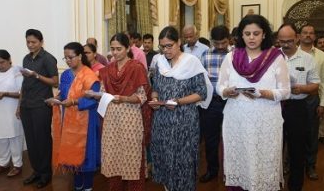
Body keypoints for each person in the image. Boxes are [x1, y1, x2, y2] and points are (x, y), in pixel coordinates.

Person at [216, 15, 291, 191]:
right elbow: (220, 86)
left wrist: (262, 93)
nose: (251, 37)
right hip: (236, 119)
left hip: (265, 121)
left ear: (264, 35)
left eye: (256, 33)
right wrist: (227, 91)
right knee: (240, 158)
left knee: (263, 159)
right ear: (241, 35)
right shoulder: (231, 57)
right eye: (247, 33)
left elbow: (286, 91)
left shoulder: (275, 57)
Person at [149, 26, 213, 191]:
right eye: (162, 46)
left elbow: (201, 93)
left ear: (179, 42)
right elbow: (155, 87)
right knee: (165, 158)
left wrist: (178, 101)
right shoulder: (159, 61)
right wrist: (155, 99)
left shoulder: (191, 62)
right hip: (162, 120)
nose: (166, 50)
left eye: (169, 45)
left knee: (182, 161)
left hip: (184, 120)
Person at [89, 33, 152, 191]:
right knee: (113, 155)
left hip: (130, 117)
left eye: (119, 49)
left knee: (132, 155)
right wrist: (95, 95)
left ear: (128, 48)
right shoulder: (107, 70)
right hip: (111, 118)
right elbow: (104, 92)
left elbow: (142, 97)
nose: (115, 52)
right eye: (112, 49)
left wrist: (123, 98)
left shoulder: (136, 68)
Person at [48, 42, 100, 191]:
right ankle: (77, 185)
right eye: (65, 58)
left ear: (79, 56)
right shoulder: (65, 75)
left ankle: (88, 187)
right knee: (72, 154)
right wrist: (56, 99)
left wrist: (74, 102)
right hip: (69, 121)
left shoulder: (90, 76)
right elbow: (63, 94)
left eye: (71, 57)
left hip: (87, 121)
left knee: (86, 155)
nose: (68, 60)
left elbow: (94, 100)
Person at [277, 23, 319, 191]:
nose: (285, 44)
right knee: (274, 147)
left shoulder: (308, 59)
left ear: (297, 38)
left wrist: (301, 88)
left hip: (297, 107)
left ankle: (295, 186)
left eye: (289, 40)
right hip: (275, 106)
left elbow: (315, 85)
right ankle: (274, 183)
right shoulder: (273, 57)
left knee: (297, 149)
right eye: (282, 41)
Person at [18, 29, 58, 189]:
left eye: (33, 42)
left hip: (41, 105)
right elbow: (24, 84)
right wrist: (20, 104)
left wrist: (37, 75)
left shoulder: (48, 58)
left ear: (41, 42)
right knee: (31, 141)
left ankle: (46, 174)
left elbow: (55, 82)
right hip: (27, 105)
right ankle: (36, 171)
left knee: (42, 140)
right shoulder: (26, 58)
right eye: (28, 42)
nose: (30, 45)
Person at [299, 24, 324, 180]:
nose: (308, 35)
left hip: (312, 99)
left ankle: (310, 165)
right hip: (292, 100)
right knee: (291, 134)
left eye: (311, 33)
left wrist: (322, 103)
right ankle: (289, 163)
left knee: (312, 135)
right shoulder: (291, 53)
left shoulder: (321, 56)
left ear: (314, 37)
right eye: (305, 33)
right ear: (299, 36)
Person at [199, 25, 230, 183]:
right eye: (216, 43)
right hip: (211, 103)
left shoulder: (235, 55)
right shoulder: (205, 55)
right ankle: (212, 170)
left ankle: (230, 173)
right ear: (211, 41)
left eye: (223, 43)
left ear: (229, 39)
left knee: (230, 139)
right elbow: (200, 80)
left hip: (231, 103)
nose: (220, 47)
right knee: (211, 139)